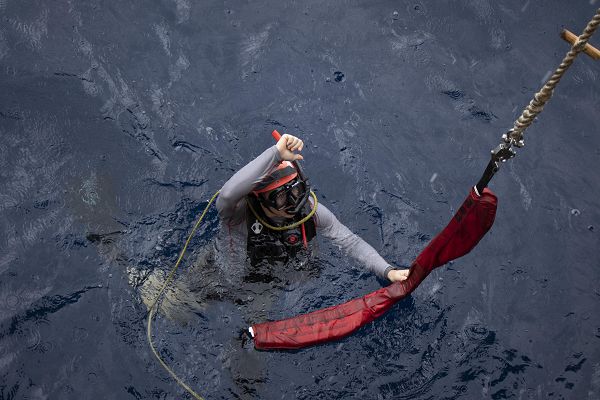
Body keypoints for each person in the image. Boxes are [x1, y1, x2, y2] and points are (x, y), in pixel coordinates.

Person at [215, 133, 409, 282]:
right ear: (259, 199)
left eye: (295, 190)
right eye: (280, 197)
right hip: (220, 278)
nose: (293, 202)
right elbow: (227, 194)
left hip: (266, 284)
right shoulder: (239, 214)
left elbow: (351, 242)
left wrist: (388, 271)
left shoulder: (309, 211)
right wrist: (276, 154)